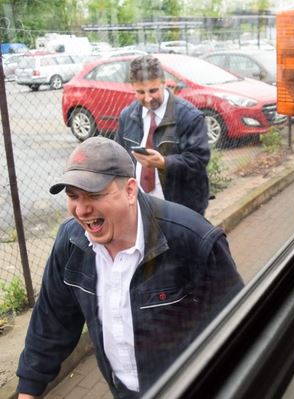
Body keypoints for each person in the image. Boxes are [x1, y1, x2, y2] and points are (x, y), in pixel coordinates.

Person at [16, 137, 243, 398]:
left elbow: (239, 328)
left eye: (94, 194)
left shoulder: (193, 239)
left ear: (130, 191)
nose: (81, 209)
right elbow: (51, 322)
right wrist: (28, 390)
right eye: (73, 196)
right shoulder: (71, 243)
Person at [114, 55, 210, 215]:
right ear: (132, 87)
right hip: (141, 206)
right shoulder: (127, 116)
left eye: (153, 90)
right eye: (140, 92)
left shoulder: (189, 116)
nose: (147, 98)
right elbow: (119, 156)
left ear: (164, 83)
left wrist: (165, 163)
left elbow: (199, 161)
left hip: (181, 207)